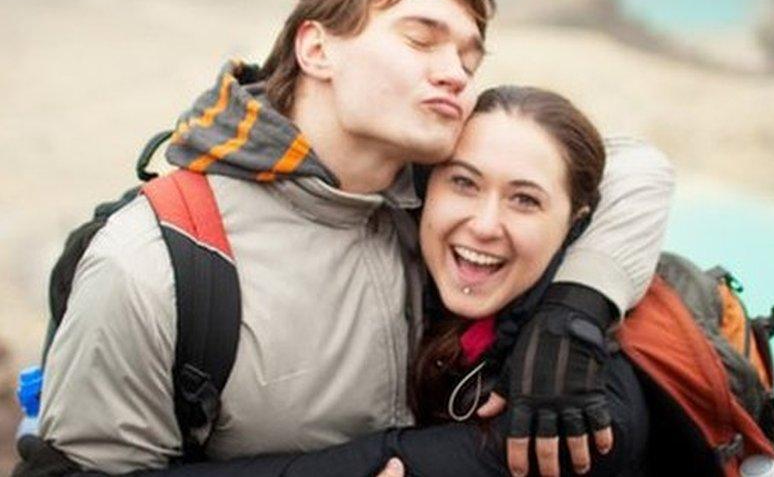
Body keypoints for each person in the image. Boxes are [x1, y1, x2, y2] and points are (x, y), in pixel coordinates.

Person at [33, 0, 673, 475]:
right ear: (316, 49)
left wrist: (573, 311)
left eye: (468, 57)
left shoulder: (430, 190)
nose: (454, 71)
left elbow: (633, 168)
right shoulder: (153, 265)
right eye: (422, 41)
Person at [148, 86, 652, 477]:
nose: (483, 223)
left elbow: (375, 463)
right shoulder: (407, 269)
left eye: (525, 199)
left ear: (576, 223)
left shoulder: (585, 407)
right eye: (463, 182)